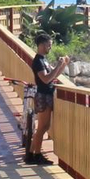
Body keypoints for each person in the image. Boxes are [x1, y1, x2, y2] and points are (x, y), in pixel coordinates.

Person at [26, 32, 70, 164]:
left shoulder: (43, 59)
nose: (50, 48)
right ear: (41, 45)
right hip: (43, 95)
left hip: (47, 95)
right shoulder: (38, 61)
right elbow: (46, 79)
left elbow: (53, 75)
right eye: (48, 45)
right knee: (42, 127)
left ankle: (31, 154)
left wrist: (63, 65)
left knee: (45, 126)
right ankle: (36, 155)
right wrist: (58, 66)